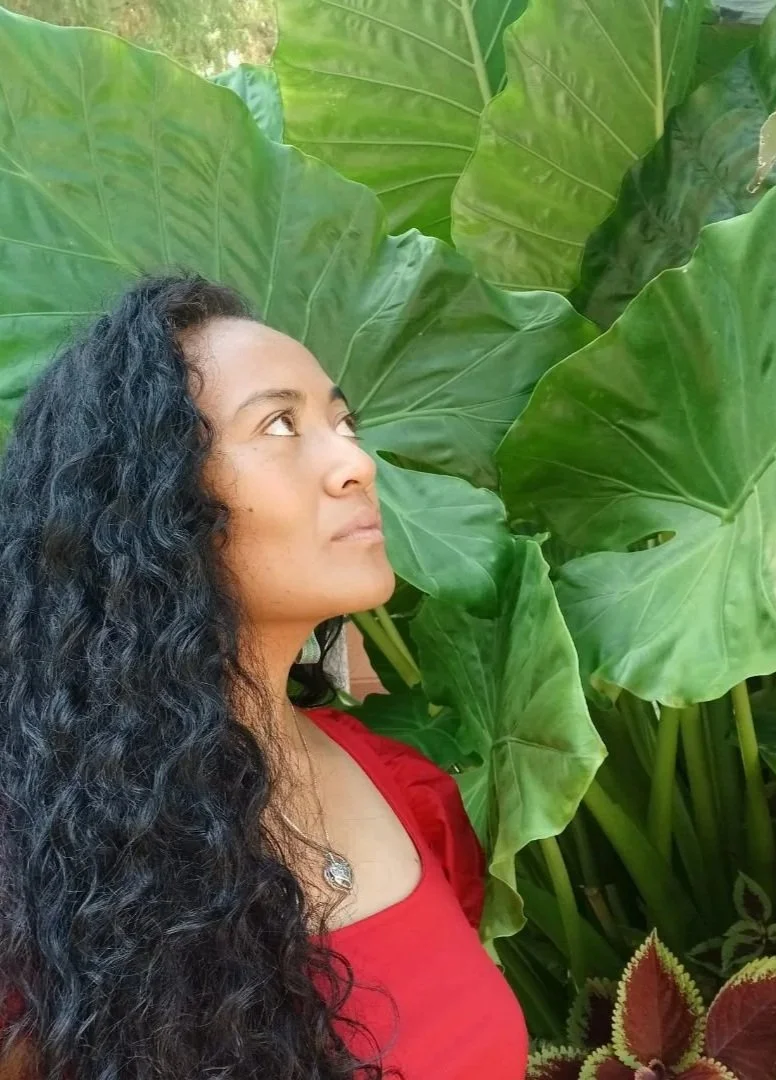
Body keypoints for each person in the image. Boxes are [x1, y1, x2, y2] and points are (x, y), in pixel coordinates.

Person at [0, 274, 530, 1080]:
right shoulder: (41, 875)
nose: (355, 461)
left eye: (344, 421)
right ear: (149, 503)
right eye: (280, 424)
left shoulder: (410, 794)